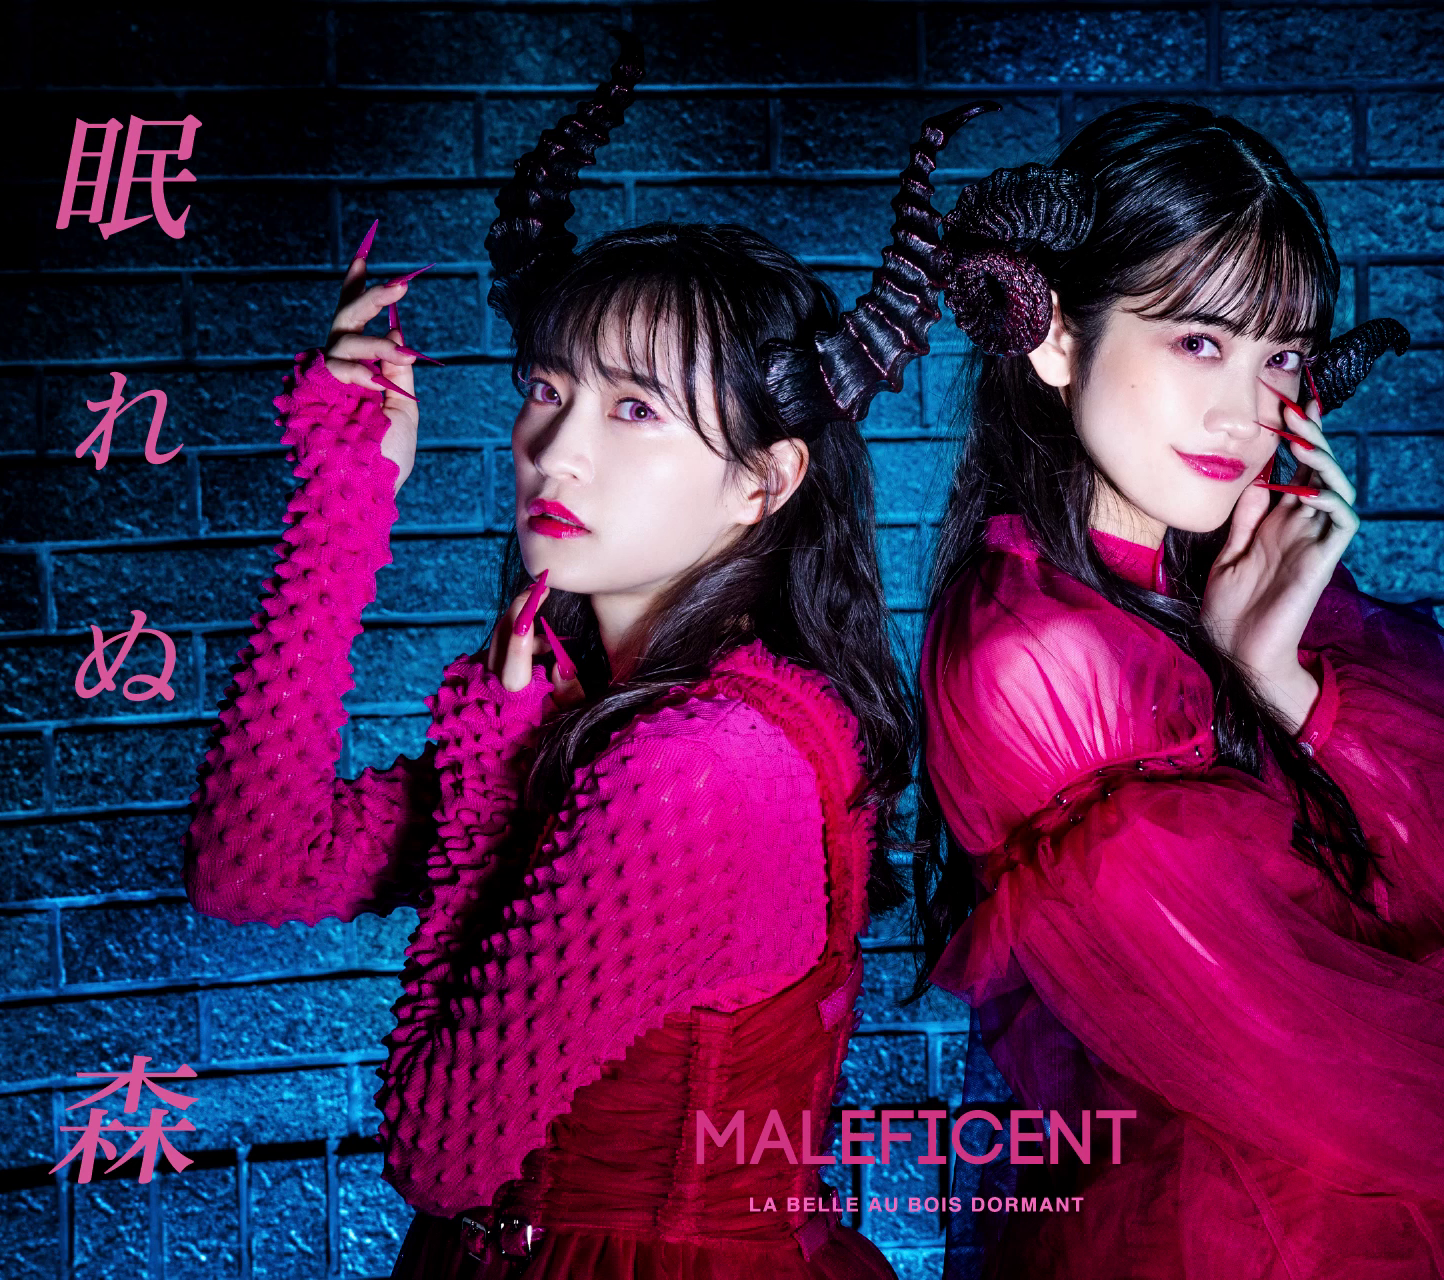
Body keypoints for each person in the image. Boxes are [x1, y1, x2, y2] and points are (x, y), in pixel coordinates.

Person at [182, 36, 988, 1280]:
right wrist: (345, 500)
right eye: (547, 387)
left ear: (764, 481)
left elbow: (441, 1155)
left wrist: (488, 784)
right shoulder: (604, 709)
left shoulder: (700, 765)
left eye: (635, 408)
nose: (554, 451)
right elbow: (251, 864)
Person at [911, 101, 1444, 1279]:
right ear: (1057, 333)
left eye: (1280, 356)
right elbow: (1333, 1051)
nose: (1246, 412)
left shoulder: (1203, 591)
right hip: (1242, 1231)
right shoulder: (1035, 654)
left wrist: (1275, 676)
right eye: (1199, 341)